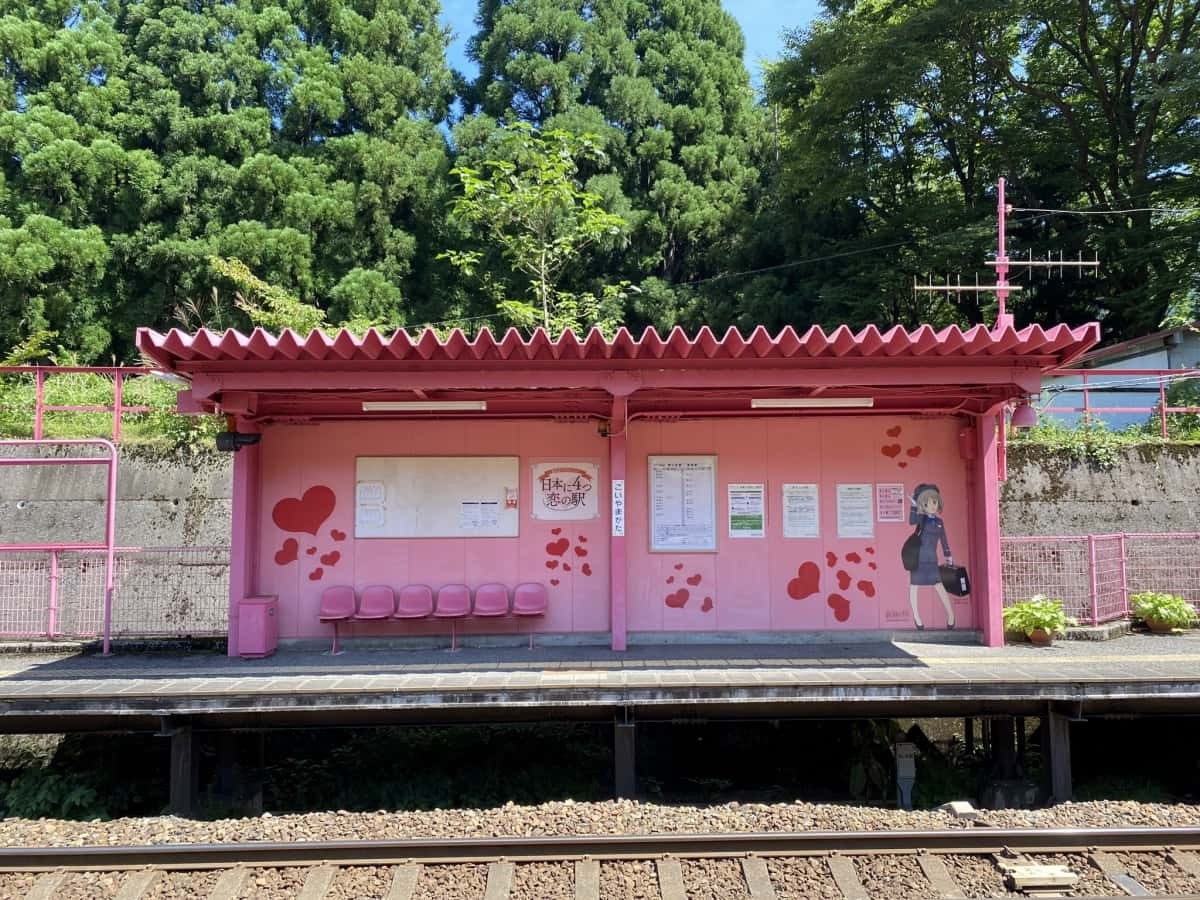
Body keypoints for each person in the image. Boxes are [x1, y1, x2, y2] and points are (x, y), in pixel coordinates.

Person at [908, 483, 955, 630]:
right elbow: (912, 521)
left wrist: (948, 555)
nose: (932, 505)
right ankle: (917, 617)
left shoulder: (939, 522)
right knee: (914, 586)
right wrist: (914, 507)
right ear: (923, 504)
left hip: (932, 559)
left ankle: (951, 616)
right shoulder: (921, 519)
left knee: (939, 586)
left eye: (934, 502)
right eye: (927, 503)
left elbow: (944, 539)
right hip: (918, 559)